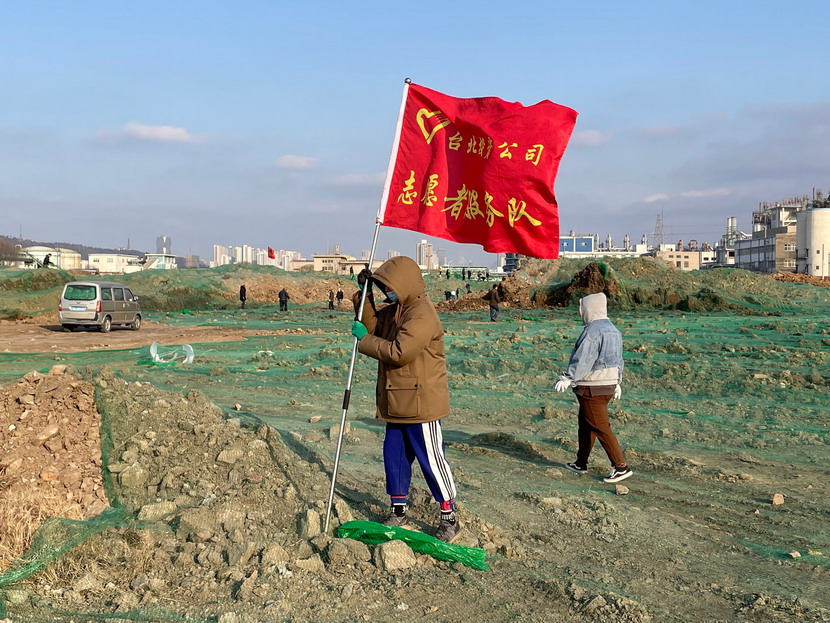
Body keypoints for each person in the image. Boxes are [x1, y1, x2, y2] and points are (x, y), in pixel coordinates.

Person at [350, 256, 461, 542]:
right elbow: (374, 328)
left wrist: (364, 342)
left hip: (421, 404)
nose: (388, 292)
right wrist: (365, 296)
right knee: (395, 458)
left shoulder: (422, 315)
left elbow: (399, 352)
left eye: (390, 287)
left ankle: (449, 517)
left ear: (405, 284)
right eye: (383, 287)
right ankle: (398, 510)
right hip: (397, 400)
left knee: (432, 461)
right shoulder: (398, 310)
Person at [555, 292, 632, 484]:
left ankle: (620, 466)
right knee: (586, 424)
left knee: (600, 426)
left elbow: (583, 359)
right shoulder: (614, 330)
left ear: (589, 309)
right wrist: (617, 381)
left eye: (582, 309)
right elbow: (619, 359)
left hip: (592, 387)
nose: (580, 313)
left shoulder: (592, 331)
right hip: (608, 385)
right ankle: (581, 462)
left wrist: (568, 377)